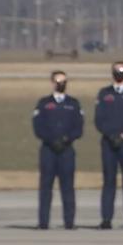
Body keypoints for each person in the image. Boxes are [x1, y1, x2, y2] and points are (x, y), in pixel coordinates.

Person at [32, 70, 84, 229]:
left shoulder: (73, 104)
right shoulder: (43, 103)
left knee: (68, 187)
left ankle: (69, 222)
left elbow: (79, 127)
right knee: (46, 187)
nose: (61, 84)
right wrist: (51, 140)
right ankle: (43, 222)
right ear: (52, 82)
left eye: (64, 81)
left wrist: (66, 139)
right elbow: (38, 127)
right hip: (48, 150)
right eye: (58, 81)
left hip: (67, 151)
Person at [94, 61, 123, 229]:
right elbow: (98, 119)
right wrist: (110, 134)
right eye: (117, 70)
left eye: (122, 71)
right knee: (109, 181)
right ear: (112, 72)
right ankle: (106, 219)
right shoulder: (104, 94)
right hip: (108, 143)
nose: (119, 73)